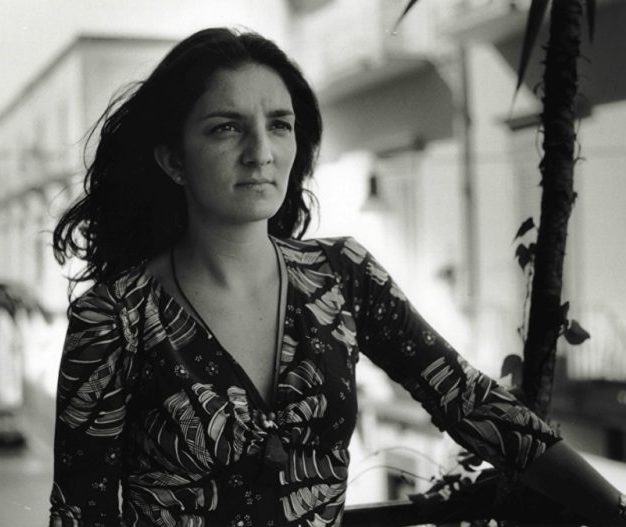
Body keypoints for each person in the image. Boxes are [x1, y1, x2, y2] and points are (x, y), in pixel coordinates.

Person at [49, 27, 625, 526]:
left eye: (279, 125)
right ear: (174, 159)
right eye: (226, 128)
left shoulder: (342, 278)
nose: (261, 152)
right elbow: (82, 513)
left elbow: (469, 401)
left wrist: (616, 510)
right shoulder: (114, 319)